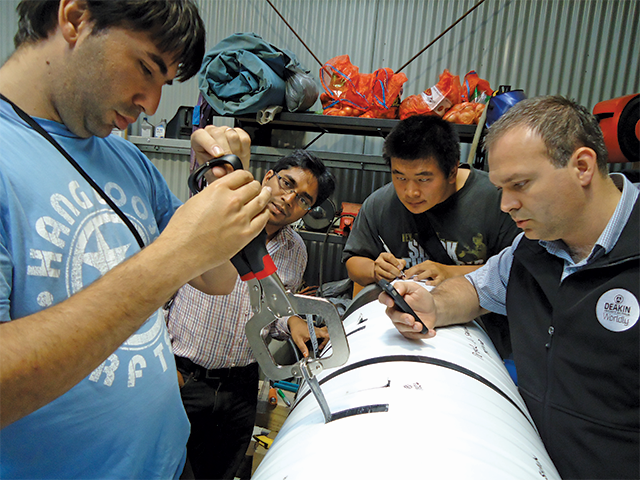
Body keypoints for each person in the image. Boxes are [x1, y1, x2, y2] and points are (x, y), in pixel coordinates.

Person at [0, 1, 273, 479]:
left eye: (164, 82)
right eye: (146, 68)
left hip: (168, 462)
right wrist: (172, 256)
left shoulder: (127, 160)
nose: (151, 104)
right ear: (75, 18)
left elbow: (216, 279)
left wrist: (222, 187)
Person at [380, 95, 640, 480]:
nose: (506, 205)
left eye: (519, 185)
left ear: (582, 167)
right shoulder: (531, 249)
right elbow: (475, 289)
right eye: (501, 188)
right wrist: (432, 306)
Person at [167, 149, 336, 480]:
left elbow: (270, 311)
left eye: (303, 200)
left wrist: (292, 322)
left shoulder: (295, 251)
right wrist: (163, 367)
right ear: (268, 177)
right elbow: (159, 294)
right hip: (184, 379)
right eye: (287, 183)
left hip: (241, 389)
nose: (288, 200)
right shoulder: (210, 221)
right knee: (163, 469)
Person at [342, 114, 520, 356]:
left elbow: (517, 273)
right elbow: (353, 262)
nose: (410, 192)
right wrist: (375, 269)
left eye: (423, 179)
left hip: (485, 344)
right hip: (404, 333)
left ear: (452, 170)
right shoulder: (380, 204)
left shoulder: (498, 202)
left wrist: (450, 273)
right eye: (400, 177)